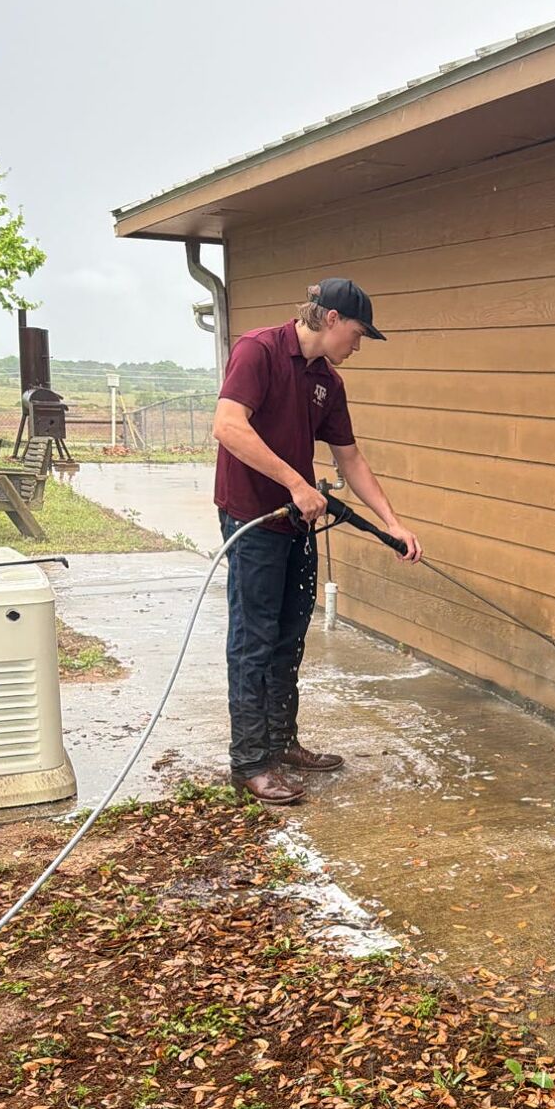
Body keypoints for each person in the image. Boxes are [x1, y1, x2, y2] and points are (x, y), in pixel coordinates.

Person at [211, 276, 421, 805]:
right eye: (356, 334)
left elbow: (349, 457)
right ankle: (251, 761)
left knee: (289, 635)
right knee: (254, 639)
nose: (357, 346)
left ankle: (282, 744)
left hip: (296, 521)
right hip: (252, 518)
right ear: (330, 320)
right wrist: (296, 482)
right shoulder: (258, 350)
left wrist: (392, 522)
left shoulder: (328, 380)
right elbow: (228, 426)